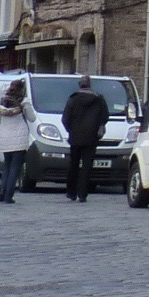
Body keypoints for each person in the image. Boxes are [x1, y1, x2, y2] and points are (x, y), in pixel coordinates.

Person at [60, 74, 111, 203]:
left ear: (79, 85)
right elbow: (105, 116)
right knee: (87, 166)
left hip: (75, 137)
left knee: (74, 164)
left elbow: (65, 118)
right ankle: (82, 194)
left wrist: (71, 130)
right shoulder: (99, 99)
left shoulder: (73, 99)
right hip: (91, 137)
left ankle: (71, 192)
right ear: (90, 85)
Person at [0, 78, 31, 202]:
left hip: (5, 137)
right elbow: (32, 118)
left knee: (7, 165)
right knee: (15, 167)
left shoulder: (1, 102)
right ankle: (9, 195)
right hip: (20, 138)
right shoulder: (24, 102)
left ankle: (1, 191)